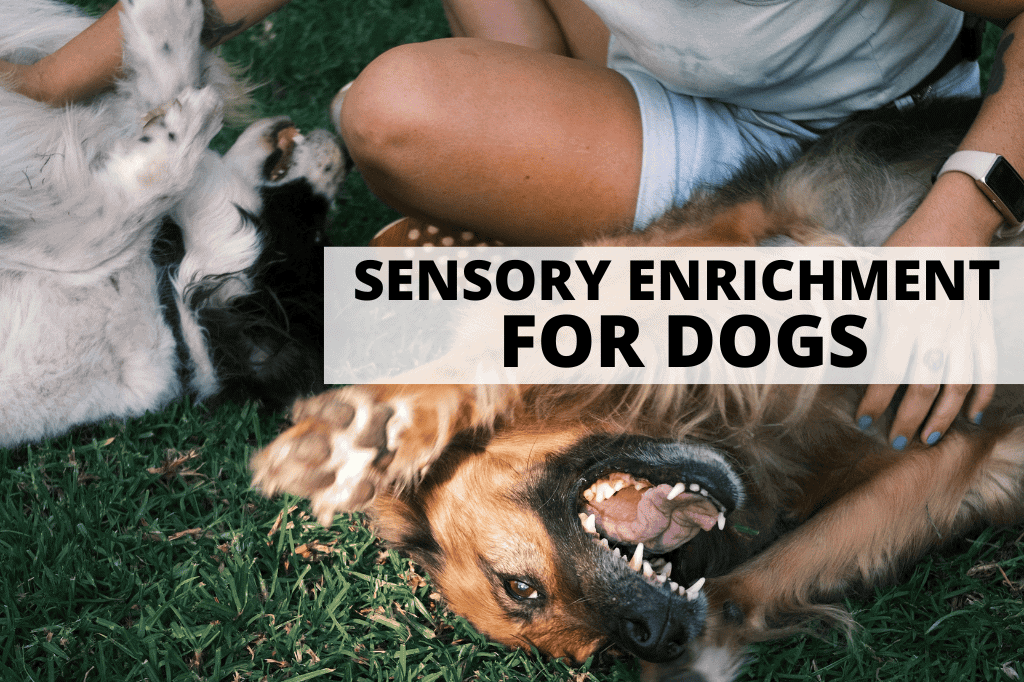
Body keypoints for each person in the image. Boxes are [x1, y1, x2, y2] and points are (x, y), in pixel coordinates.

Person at [2, 0, 1016, 449]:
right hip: (653, 87)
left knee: (923, 353)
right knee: (387, 117)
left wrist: (955, 221)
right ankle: (571, 251)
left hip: (865, 131)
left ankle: (578, 284)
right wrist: (43, 81)